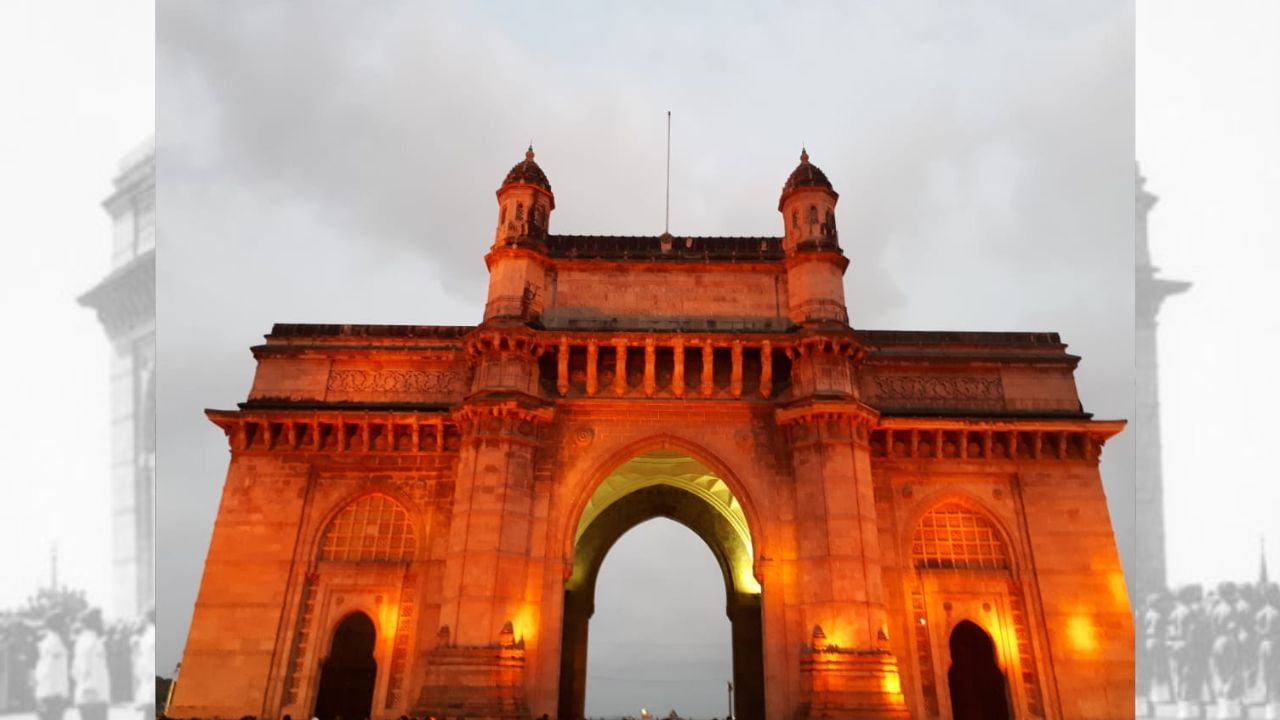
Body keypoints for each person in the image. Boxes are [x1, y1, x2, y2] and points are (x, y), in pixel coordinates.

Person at [72, 608, 110, 720]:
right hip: (91, 695)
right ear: (94, 622)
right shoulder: (88, 641)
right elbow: (82, 668)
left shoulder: (93, 639)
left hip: (97, 695)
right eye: (99, 619)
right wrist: (89, 688)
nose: (101, 622)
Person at [34, 611, 70, 720]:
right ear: (58, 624)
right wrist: (58, 693)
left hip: (53, 693)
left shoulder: (55, 641)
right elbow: (48, 671)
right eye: (65, 623)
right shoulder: (53, 643)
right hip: (51, 694)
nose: (68, 626)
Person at [134, 606, 156, 720]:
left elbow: (147, 657)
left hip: (150, 674)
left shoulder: (150, 635)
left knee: (150, 708)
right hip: (150, 675)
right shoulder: (149, 634)